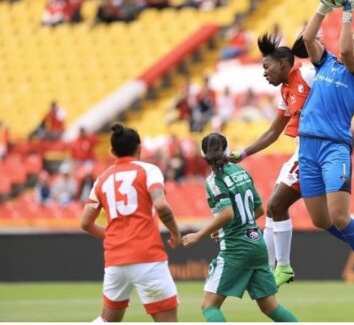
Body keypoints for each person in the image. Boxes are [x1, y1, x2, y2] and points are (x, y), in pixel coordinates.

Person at [299, 0, 354, 302]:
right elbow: (308, 39)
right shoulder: (326, 63)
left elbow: (347, 50)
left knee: (339, 217)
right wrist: (323, 6)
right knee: (320, 220)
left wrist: (348, 13)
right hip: (308, 146)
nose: (351, 43)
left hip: (334, 147)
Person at [182, 133, 298, 322]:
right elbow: (260, 209)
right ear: (227, 150)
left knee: (209, 306)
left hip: (236, 249)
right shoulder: (241, 172)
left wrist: (200, 235)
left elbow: (227, 213)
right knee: (271, 307)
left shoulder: (214, 180)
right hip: (257, 245)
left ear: (203, 156)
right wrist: (226, 229)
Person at [230, 32, 315, 287]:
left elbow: (336, 73)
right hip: (302, 148)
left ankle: (283, 267)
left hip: (315, 149)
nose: (264, 73)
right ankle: (264, 269)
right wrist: (243, 153)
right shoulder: (286, 91)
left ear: (283, 63)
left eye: (266, 67)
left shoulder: (308, 75)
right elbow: (272, 132)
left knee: (277, 205)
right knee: (273, 209)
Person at [80, 123, 182, 322]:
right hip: (147, 257)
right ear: (139, 148)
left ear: (112, 151)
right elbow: (161, 206)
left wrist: (112, 236)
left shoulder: (102, 179)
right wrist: (175, 232)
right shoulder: (148, 170)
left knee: (108, 320)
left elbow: (85, 223)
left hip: (115, 260)